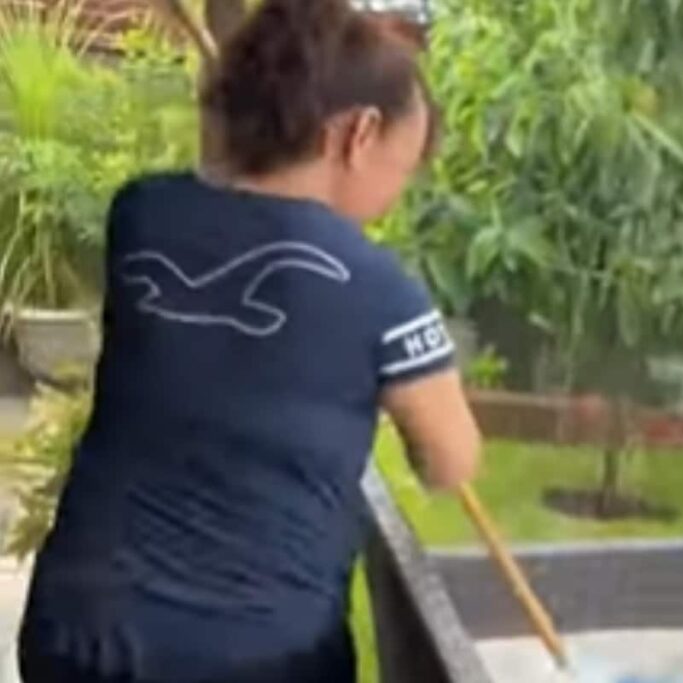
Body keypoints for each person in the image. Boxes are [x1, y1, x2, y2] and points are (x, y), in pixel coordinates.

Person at [17, 0, 481, 680]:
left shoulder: (141, 217)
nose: (395, 193)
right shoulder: (381, 289)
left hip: (79, 633)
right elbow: (450, 461)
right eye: (402, 168)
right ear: (357, 135)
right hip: (262, 656)